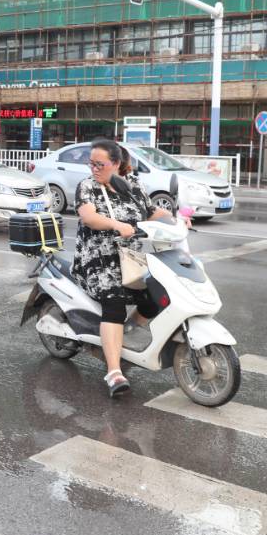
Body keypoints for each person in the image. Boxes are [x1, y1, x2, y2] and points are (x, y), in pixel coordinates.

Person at [72, 140, 179, 397]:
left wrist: (176, 218)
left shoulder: (131, 184)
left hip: (129, 258)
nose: (95, 168)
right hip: (97, 259)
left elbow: (149, 211)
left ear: (116, 164)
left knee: (158, 297)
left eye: (101, 164)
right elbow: (88, 216)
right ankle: (113, 372)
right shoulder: (87, 186)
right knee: (114, 303)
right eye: (92, 163)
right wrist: (115, 224)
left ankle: (125, 334)